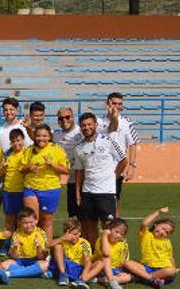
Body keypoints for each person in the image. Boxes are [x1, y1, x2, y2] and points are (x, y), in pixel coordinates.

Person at [73, 112, 127, 247]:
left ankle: (110, 259)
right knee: (89, 228)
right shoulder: (79, 148)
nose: (87, 128)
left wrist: (113, 177)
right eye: (83, 125)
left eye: (89, 124)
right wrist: (78, 193)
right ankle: (93, 257)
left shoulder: (108, 141)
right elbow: (79, 172)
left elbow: (123, 161)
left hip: (106, 193)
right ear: (80, 127)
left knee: (108, 228)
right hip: (88, 193)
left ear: (96, 125)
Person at [22, 124, 69, 238]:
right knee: (32, 220)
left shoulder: (57, 149)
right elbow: (22, 169)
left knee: (46, 222)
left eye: (44, 136)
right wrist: (29, 168)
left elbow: (66, 170)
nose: (41, 138)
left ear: (49, 137)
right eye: (38, 136)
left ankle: (46, 251)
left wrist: (52, 164)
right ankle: (33, 250)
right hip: (31, 188)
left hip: (50, 190)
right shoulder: (29, 150)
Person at [123, 206, 179, 289]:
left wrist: (174, 268)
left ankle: (141, 278)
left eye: (166, 232)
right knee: (127, 263)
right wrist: (159, 212)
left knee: (170, 271)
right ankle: (151, 279)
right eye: (163, 228)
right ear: (156, 225)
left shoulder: (167, 242)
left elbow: (170, 257)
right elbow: (144, 223)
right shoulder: (146, 235)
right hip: (147, 267)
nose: (163, 232)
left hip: (163, 270)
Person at [98, 92, 139, 205]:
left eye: (119, 104)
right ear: (107, 104)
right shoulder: (98, 122)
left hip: (116, 168)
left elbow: (132, 144)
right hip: (99, 168)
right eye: (114, 103)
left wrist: (132, 166)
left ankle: (115, 222)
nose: (117, 106)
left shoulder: (126, 122)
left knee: (114, 202)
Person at [0, 208, 51, 285]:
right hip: (20, 261)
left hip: (35, 260)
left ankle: (9, 274)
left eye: (31, 222)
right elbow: (14, 257)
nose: (28, 225)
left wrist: (39, 247)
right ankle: (33, 272)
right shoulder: (17, 234)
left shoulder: (40, 233)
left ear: (36, 221)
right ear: (20, 223)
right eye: (25, 223)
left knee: (45, 264)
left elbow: (41, 257)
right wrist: (15, 247)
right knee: (4, 265)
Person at [81, 218, 131, 289]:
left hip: (113, 270)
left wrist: (122, 268)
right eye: (116, 232)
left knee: (127, 277)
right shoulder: (102, 240)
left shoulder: (123, 244)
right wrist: (104, 236)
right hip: (99, 268)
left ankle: (96, 280)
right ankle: (111, 282)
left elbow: (125, 259)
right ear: (109, 230)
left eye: (121, 234)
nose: (118, 235)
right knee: (106, 258)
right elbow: (106, 253)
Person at [52, 107, 83, 218]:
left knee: (88, 216)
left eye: (67, 117)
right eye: (61, 118)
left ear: (73, 117)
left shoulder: (82, 131)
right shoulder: (56, 136)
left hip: (87, 180)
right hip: (72, 180)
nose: (64, 120)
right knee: (73, 214)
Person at [48, 218, 92, 289]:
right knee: (57, 246)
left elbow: (88, 261)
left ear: (80, 233)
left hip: (76, 268)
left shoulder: (84, 243)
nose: (73, 237)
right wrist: (62, 238)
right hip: (64, 266)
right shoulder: (63, 240)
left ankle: (79, 279)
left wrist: (84, 274)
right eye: (70, 234)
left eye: (75, 234)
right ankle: (63, 275)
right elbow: (47, 246)